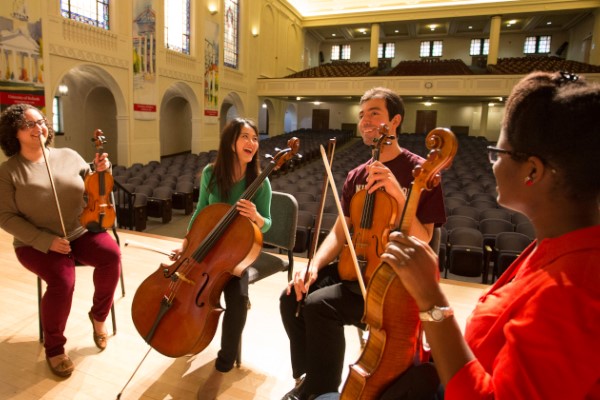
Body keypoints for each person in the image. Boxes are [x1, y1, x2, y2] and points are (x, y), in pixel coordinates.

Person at [381, 71, 600, 399]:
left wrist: (431, 299)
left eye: (498, 153)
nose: (493, 165)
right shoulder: (555, 246)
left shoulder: (571, 294)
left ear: (533, 171)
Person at [279, 87, 447, 399]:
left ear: (394, 121)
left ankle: (322, 391)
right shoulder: (356, 175)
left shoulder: (420, 172)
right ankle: (307, 376)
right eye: (361, 115)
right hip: (353, 271)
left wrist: (399, 194)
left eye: (374, 113)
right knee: (292, 296)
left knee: (319, 306)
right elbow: (341, 232)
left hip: (393, 287)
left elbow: (425, 238)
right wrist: (312, 266)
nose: (365, 121)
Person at [0, 103, 121, 378]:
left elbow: (93, 188)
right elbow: (5, 218)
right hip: (35, 243)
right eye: (29, 124)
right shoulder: (9, 172)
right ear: (14, 133)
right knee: (63, 282)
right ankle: (55, 348)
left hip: (79, 231)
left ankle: (99, 317)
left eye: (41, 121)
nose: (38, 128)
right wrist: (46, 240)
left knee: (111, 256)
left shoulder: (69, 155)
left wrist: (103, 171)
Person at [170, 118, 272, 400]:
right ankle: (187, 338)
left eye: (255, 139)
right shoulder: (210, 173)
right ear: (231, 142)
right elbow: (201, 211)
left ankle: (222, 365)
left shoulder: (261, 183)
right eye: (245, 137)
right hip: (208, 249)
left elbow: (268, 224)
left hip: (239, 253)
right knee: (189, 288)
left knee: (237, 300)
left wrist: (256, 216)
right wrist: (186, 243)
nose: (251, 143)